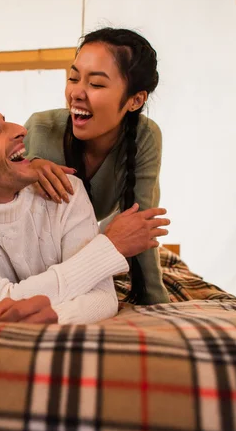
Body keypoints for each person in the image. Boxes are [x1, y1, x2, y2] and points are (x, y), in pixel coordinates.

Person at [0, 84, 169, 325]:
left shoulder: (65, 189)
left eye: (4, 121)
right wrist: (108, 248)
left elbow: (102, 297)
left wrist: (56, 318)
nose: (20, 130)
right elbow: (3, 304)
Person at [24, 27, 169, 305]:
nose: (76, 93)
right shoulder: (41, 129)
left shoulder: (145, 136)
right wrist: (27, 168)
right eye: (73, 78)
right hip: (38, 262)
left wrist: (156, 301)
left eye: (97, 84)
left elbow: (139, 223)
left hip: (90, 250)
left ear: (135, 100)